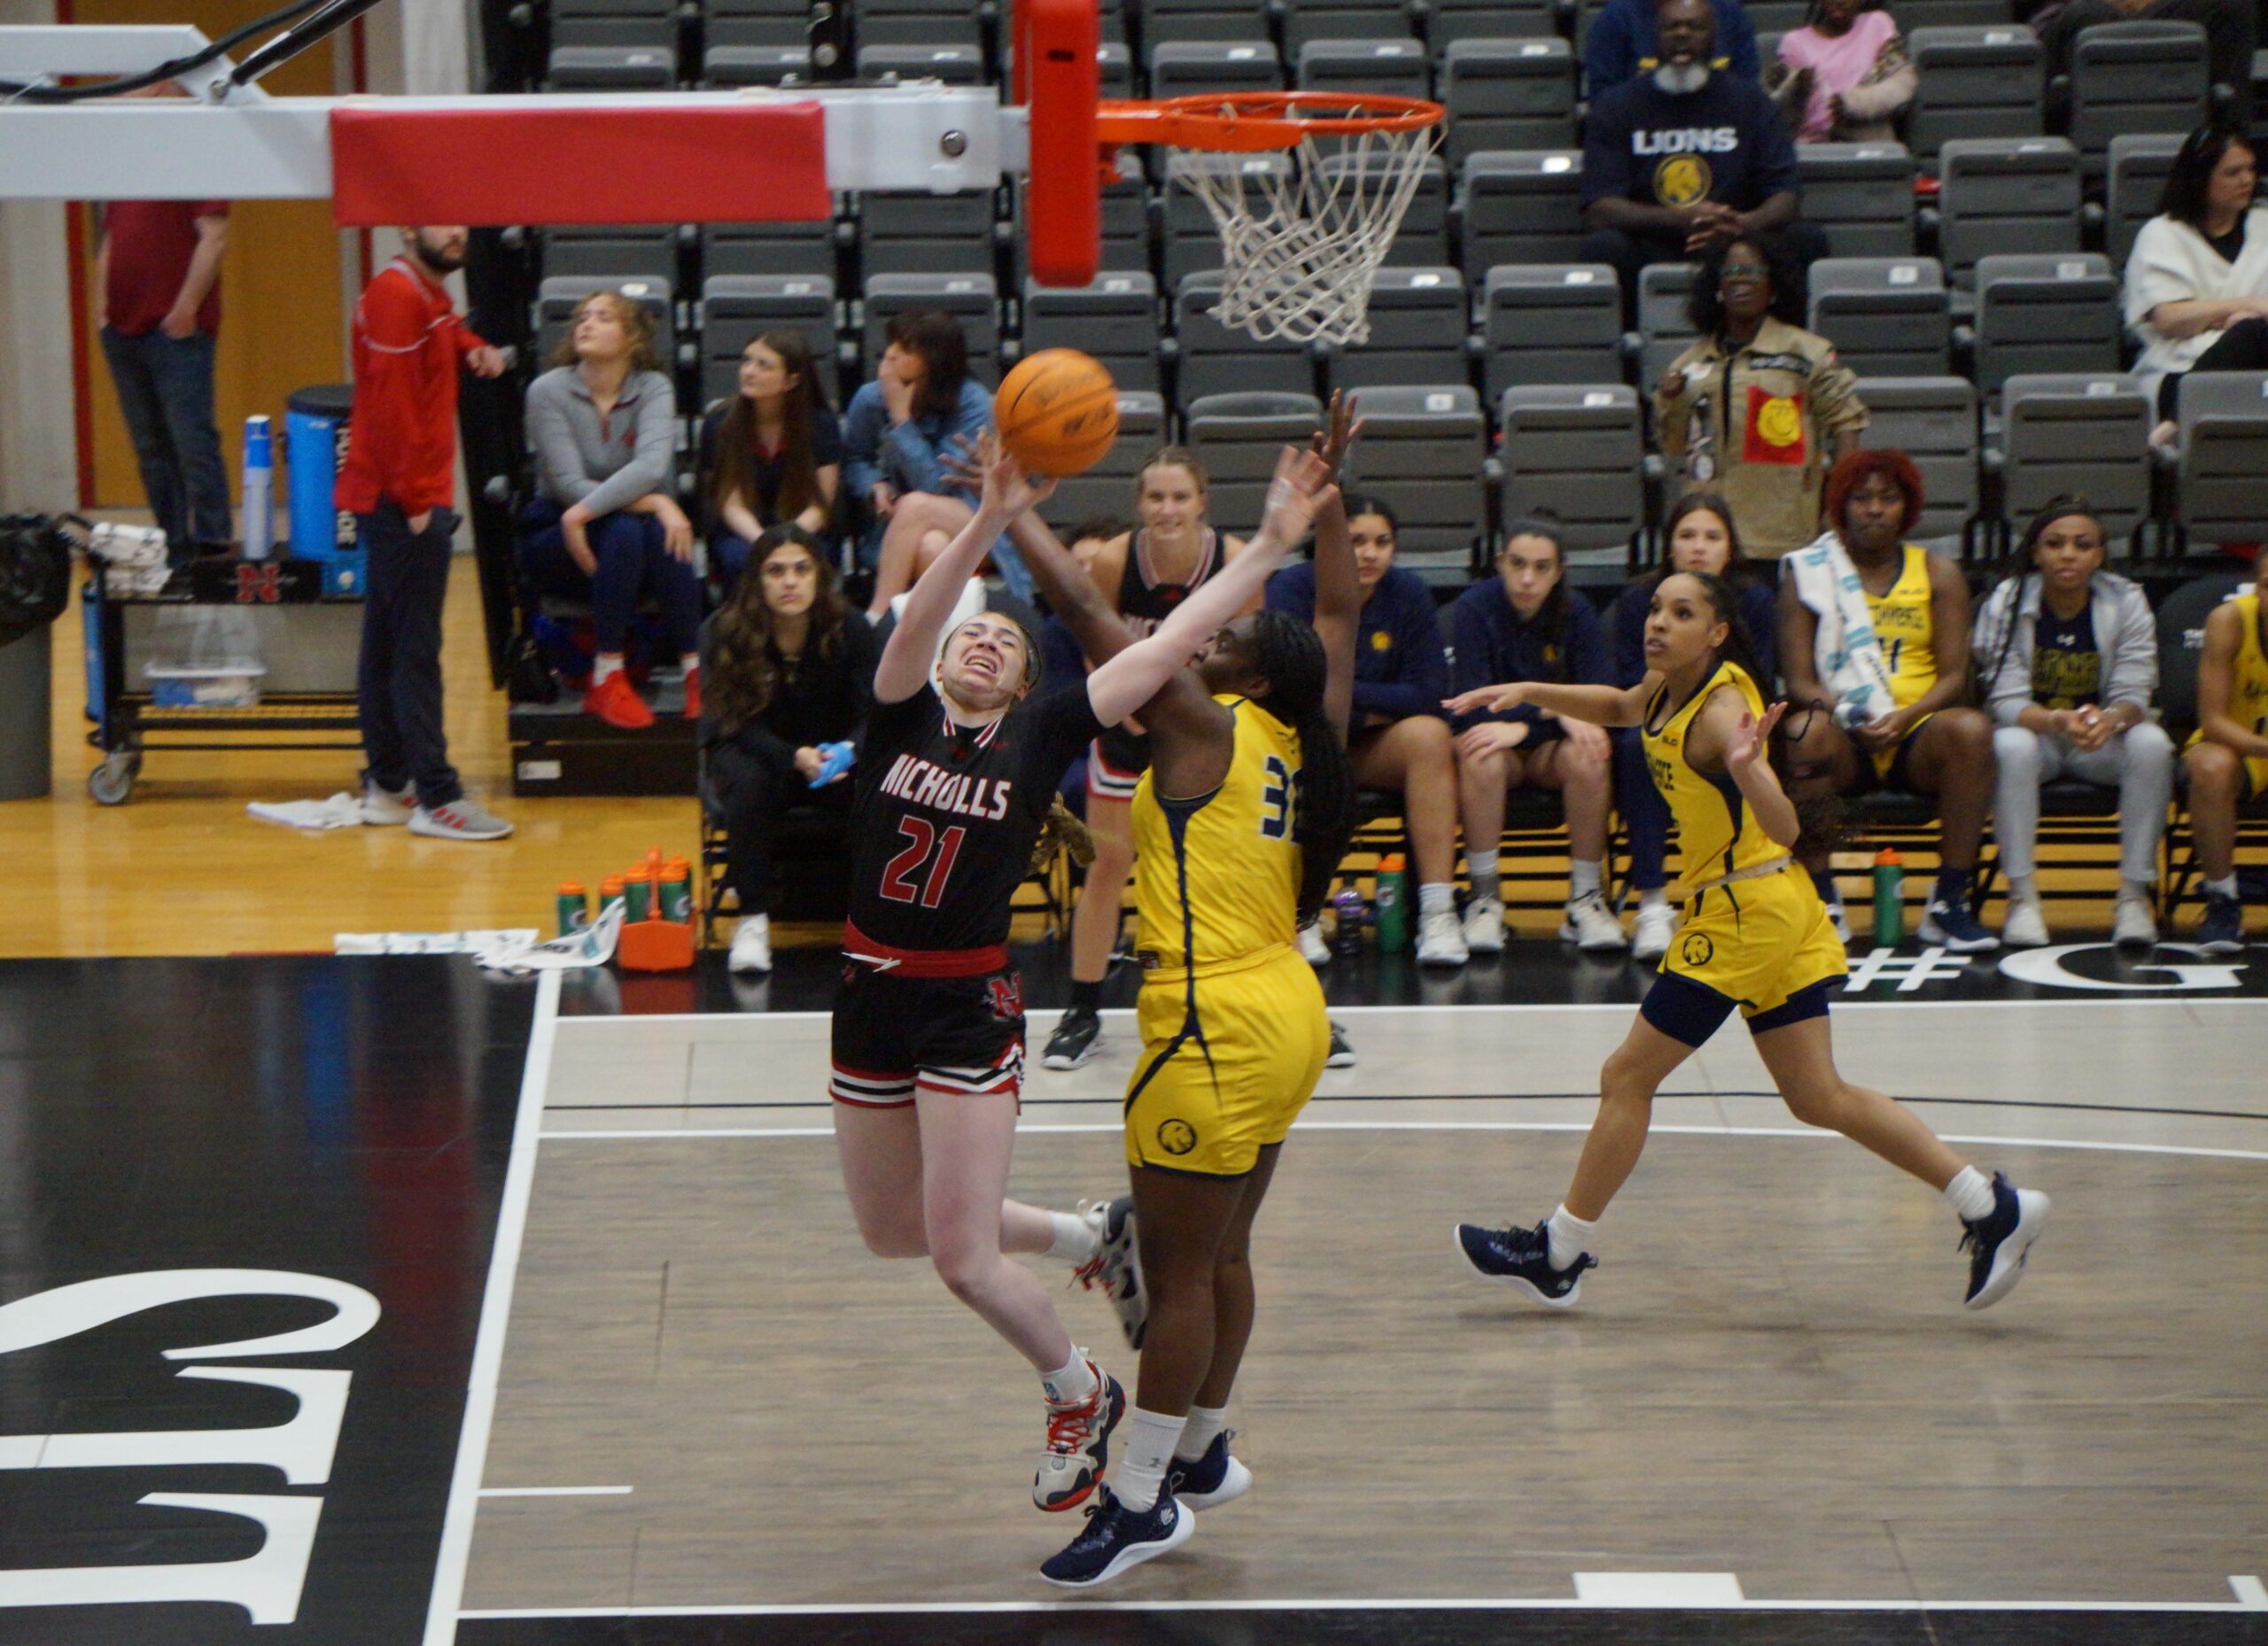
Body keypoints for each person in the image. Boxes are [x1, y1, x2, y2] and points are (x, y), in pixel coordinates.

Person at [827, 431, 1330, 1549]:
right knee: (891, 1233)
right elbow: (920, 613)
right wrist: (990, 517)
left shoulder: (1044, 731)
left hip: (963, 1007)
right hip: (865, 995)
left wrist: (1268, 553)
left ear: (1023, 681)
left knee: (960, 1258)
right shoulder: (899, 708)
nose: (984, 646)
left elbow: (1171, 647)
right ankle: (1091, 1236)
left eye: (1007, 643)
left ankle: (1077, 1391)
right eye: (975, 636)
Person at [1449, 571, 2051, 1312]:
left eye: (1682, 613)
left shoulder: (1723, 707)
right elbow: (1619, 705)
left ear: (1718, 631)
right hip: (1770, 904)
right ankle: (1993, 1207)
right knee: (1817, 1095)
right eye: (1657, 610)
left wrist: (1744, 767)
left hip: (1744, 912)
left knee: (1626, 1077)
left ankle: (1557, 1250)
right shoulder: (1669, 685)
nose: (1658, 624)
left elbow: (1789, 828)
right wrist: (1529, 691)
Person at [1014, 413, 1357, 1588]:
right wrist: (1320, 509)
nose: (1193, 639)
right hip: (1288, 1009)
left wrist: (1017, 512)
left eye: (1221, 637)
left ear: (1244, 672)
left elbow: (1089, 619)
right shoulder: (1303, 733)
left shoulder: (1198, 720)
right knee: (1223, 1252)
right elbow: (1338, 620)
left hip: (1213, 1022)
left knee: (1173, 1277)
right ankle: (1205, 1450)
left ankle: (1141, 1494)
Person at [1042, 450, 1256, 1071]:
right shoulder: (1114, 560)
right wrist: (1129, 712)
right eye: (1156, 498)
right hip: (1128, 728)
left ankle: (1274, 1002)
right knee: (1108, 867)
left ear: (1202, 503)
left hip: (1206, 729)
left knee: (1238, 868)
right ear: (1139, 504)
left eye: (1180, 498)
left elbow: (1247, 660)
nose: (1167, 509)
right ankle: (1083, 1010)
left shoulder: (1236, 562)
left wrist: (1204, 725)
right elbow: (1094, 647)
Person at [1778, 449, 2000, 950]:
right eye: (1861, 498)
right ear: (1841, 506)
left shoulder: (1939, 574)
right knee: (1800, 731)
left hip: (1916, 734)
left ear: (1908, 507)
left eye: (1888, 498)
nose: (1874, 509)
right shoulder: (1810, 573)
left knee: (1972, 730)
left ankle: (1949, 903)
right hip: (1843, 735)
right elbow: (1798, 681)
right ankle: (1820, 900)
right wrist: (1849, 714)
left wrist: (1907, 716)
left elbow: (1954, 677)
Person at [337, 225, 513, 842]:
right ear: (409, 229)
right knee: (414, 650)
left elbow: (441, 327)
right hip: (402, 497)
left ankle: (388, 785)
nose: (457, 231)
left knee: (388, 641)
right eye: (440, 222)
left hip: (402, 493)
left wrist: (470, 344)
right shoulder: (396, 296)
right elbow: (388, 411)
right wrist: (413, 500)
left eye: (460, 221)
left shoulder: (424, 293)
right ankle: (436, 796)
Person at [1266, 494, 1468, 967]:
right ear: (1327, 543)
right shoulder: (1290, 589)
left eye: (1382, 542)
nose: (1369, 553)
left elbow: (1430, 693)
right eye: (1355, 541)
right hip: (1303, 742)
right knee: (1298, 740)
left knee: (1430, 736)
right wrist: (1374, 705)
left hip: (1372, 747)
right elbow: (1292, 687)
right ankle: (1302, 913)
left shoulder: (1409, 593)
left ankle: (1438, 912)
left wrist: (1353, 703)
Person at [1972, 498, 2171, 949]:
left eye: (2082, 545)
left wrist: (2112, 719)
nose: (2068, 554)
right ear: (2035, 553)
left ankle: (2133, 897)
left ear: (2100, 554)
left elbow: (2136, 690)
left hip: (2100, 739)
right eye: (2055, 544)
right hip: (2039, 736)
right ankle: (2021, 898)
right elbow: (2003, 701)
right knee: (2011, 746)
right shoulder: (2007, 600)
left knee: (2153, 744)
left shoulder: (2126, 598)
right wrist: (2058, 720)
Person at [1609, 493, 1780, 959]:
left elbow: (1762, 681)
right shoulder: (1640, 599)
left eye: (1712, 536)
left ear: (1731, 548)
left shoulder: (1756, 600)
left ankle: (1745, 892)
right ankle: (1652, 903)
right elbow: (1629, 690)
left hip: (1732, 721)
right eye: (1687, 535)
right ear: (1669, 547)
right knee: (1633, 745)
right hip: (1660, 713)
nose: (1699, 547)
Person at [700, 525, 877, 974]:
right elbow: (731, 724)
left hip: (833, 757)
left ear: (819, 575)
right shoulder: (725, 632)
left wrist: (849, 751)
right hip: (759, 752)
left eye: (802, 569)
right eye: (776, 571)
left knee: (884, 780)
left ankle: (879, 918)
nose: (790, 581)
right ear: (757, 582)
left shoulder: (850, 628)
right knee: (748, 782)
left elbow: (874, 713)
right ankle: (753, 919)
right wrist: (792, 756)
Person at [1580, 0, 1824, 317]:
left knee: (1805, 240)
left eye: (1695, 27)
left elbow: (1786, 197)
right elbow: (1599, 208)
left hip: (1738, 239)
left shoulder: (1752, 104)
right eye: (1672, 27)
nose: (1683, 35)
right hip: (1655, 241)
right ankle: (1627, 353)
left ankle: (1782, 351)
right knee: (1603, 248)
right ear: (1655, 36)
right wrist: (1679, 218)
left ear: (1713, 37)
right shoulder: (1616, 107)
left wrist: (1741, 225)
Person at [1449, 517, 1626, 952]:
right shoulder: (1473, 609)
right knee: (1479, 754)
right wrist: (1557, 710)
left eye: (1542, 567)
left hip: (1548, 749)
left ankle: (1585, 899)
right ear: (1500, 563)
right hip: (1499, 749)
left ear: (1560, 570)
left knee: (1590, 753)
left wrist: (1529, 721)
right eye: (1518, 564)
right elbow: (1471, 705)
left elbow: (1602, 699)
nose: (1528, 578)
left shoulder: (1577, 611)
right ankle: (1485, 899)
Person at [1656, 230, 1867, 558]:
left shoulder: (1807, 353)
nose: (1743, 281)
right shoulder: (1689, 365)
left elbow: (1847, 423)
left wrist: (1838, 503)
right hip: (1708, 539)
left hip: (1782, 534)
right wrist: (1672, 401)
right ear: (1717, 288)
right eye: (1732, 273)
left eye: (1754, 272)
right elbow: (1673, 446)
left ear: (1773, 287)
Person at [96, 136, 231, 564]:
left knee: (192, 441)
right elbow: (111, 239)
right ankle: (172, 542)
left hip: (177, 334)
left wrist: (186, 309)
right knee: (150, 448)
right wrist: (103, 310)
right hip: (122, 330)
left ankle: (212, 541)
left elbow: (214, 237)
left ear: (167, 84)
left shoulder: (195, 154)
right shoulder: (125, 163)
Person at [842, 310, 1029, 615]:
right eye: (892, 344)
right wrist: (873, 483)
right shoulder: (870, 398)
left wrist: (901, 421)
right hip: (898, 532)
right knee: (932, 546)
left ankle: (876, 617)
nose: (889, 355)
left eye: (904, 350)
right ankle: (940, 641)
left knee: (916, 504)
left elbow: (938, 484)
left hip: (974, 519)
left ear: (934, 361)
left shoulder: (974, 403)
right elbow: (855, 459)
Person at [2124, 124, 2268, 435]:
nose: (2247, 180)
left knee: (2253, 335)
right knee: (2253, 330)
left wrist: (2212, 316)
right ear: (2201, 179)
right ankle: (2172, 424)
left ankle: (2171, 428)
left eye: (2250, 169)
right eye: (2233, 173)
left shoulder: (2264, 225)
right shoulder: (2162, 234)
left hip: (2260, 378)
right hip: (2179, 372)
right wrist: (2248, 305)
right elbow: (2169, 318)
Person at [701, 330, 843, 587]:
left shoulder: (820, 424)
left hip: (804, 529)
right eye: (747, 361)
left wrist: (789, 540)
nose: (748, 371)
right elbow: (730, 503)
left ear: (791, 380)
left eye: (763, 365)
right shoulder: (719, 424)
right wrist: (765, 542)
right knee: (741, 559)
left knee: (809, 561)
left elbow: (821, 505)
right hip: (745, 532)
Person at [2179, 554, 2268, 953]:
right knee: (2210, 766)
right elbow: (2213, 720)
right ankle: (2222, 900)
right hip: (2238, 746)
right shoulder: (2229, 621)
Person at [2021, 0, 2254, 131]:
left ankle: (2232, 156)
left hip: (2151, 17)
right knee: (2091, 15)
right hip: (2073, 20)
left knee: (2233, 8)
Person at [1766, 0, 1915, 142]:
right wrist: (1797, 85)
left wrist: (1852, 103)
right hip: (1810, 147)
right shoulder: (1795, 42)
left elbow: (1902, 84)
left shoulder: (1877, 24)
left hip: (1869, 142)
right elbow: (1778, 110)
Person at [1584, 0, 1761, 95]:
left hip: (1718, 131)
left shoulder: (1730, 14)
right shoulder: (1616, 18)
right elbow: (1602, 97)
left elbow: (1749, 89)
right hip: (1641, 133)